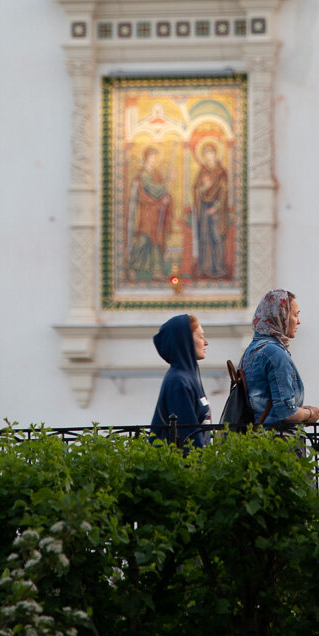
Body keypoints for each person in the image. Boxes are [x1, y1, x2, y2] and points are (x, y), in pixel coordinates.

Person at [240, 289, 319, 428]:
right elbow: (286, 412)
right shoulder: (275, 353)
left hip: (255, 441)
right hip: (276, 441)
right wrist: (309, 413)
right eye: (295, 315)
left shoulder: (251, 351)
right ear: (280, 316)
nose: (299, 322)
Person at [150, 313, 211, 448]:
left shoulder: (188, 377)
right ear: (186, 341)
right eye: (200, 336)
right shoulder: (179, 381)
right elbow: (188, 436)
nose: (206, 342)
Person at [126, 145, 173, 281]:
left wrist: (167, 198)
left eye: (155, 158)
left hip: (156, 212)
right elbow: (155, 190)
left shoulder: (155, 173)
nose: (154, 160)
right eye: (151, 158)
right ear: (146, 158)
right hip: (147, 212)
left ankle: (157, 271)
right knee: (144, 239)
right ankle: (131, 267)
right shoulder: (144, 175)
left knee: (156, 241)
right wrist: (167, 183)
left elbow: (162, 193)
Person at [192, 141, 229, 279]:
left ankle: (218, 267)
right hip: (203, 209)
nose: (208, 157)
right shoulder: (202, 172)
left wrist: (216, 207)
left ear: (215, 155)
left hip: (216, 210)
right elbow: (196, 189)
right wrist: (204, 188)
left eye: (210, 154)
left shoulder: (220, 172)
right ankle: (205, 267)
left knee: (216, 237)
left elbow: (224, 192)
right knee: (204, 237)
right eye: (205, 154)